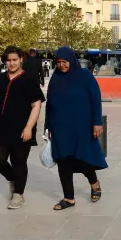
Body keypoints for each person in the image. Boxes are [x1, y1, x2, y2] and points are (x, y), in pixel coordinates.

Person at [45, 46, 107, 210]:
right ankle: (69, 198)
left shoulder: (84, 76)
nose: (61, 65)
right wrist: (47, 125)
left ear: (71, 61)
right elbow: (49, 102)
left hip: (82, 126)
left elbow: (95, 99)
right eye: (58, 62)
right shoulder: (55, 77)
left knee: (82, 158)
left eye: (64, 62)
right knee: (63, 161)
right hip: (60, 127)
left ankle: (94, 182)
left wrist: (97, 122)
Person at [0, 46, 45, 209]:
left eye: (14, 60)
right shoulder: (1, 79)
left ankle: (18, 194)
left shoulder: (30, 79)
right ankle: (13, 179)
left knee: (19, 161)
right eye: (8, 60)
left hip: (21, 129)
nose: (11, 63)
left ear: (21, 60)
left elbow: (36, 105)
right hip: (1, 128)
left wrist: (29, 128)